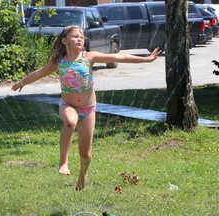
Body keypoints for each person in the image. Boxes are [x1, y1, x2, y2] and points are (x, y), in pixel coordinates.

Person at [11, 25, 161, 190]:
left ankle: (83, 176)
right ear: (64, 40)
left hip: (88, 110)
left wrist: (146, 59)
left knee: (86, 154)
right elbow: (39, 73)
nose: (80, 39)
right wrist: (22, 82)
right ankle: (63, 162)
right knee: (70, 121)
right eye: (75, 36)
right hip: (68, 105)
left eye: (82, 36)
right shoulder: (59, 62)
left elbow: (120, 57)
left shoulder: (89, 57)